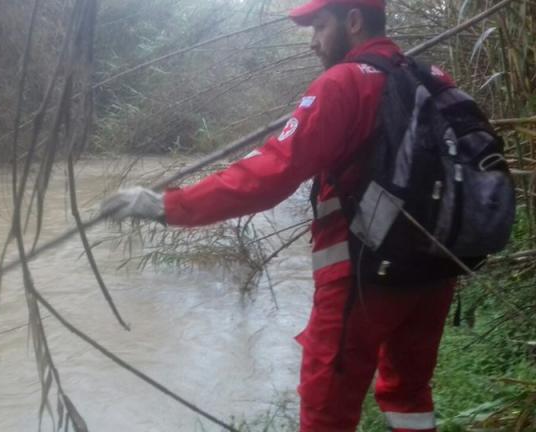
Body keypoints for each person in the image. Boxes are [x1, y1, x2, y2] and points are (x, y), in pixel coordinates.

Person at [101, 0, 457, 430]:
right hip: (436, 269)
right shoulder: (435, 79)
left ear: (355, 20)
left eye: (320, 27)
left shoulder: (342, 84)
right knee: (408, 392)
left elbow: (268, 174)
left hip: (361, 276)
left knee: (326, 410)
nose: (313, 43)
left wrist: (165, 206)